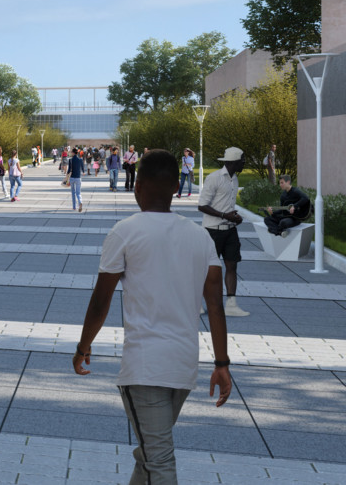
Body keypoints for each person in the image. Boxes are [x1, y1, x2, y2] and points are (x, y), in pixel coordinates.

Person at [74, 148, 231, 485]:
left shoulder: (125, 231)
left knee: (158, 458)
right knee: (151, 453)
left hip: (145, 367)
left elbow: (100, 301)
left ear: (137, 186)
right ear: (177, 187)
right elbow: (215, 306)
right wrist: (221, 363)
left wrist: (83, 347)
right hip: (184, 365)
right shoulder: (201, 237)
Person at [197, 147, 250, 317]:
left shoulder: (234, 179)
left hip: (230, 230)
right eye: (243, 160)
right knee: (207, 268)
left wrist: (235, 217)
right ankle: (197, 302)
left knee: (232, 265)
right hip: (213, 230)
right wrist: (223, 215)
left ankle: (231, 305)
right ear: (234, 161)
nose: (244, 163)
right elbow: (202, 205)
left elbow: (227, 205)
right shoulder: (214, 178)